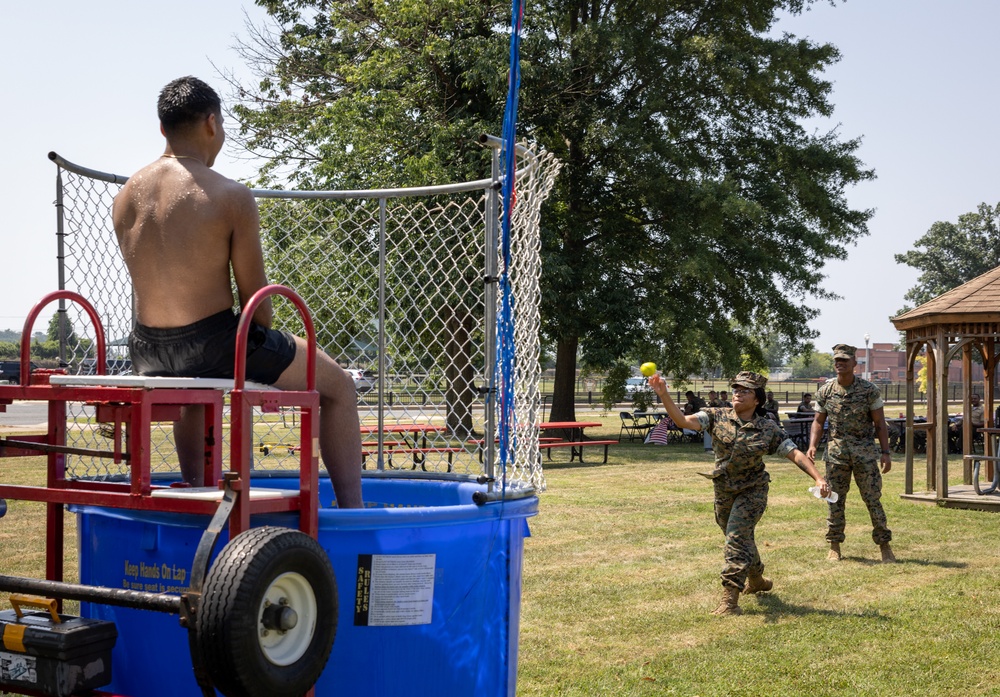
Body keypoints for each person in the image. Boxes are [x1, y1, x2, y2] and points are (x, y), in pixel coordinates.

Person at [112, 76, 363, 508]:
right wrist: (268, 339)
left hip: (146, 349)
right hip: (216, 342)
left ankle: (195, 496)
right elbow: (257, 306)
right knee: (339, 386)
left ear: (162, 129)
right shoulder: (229, 195)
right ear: (212, 123)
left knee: (196, 392)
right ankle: (354, 512)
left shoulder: (125, 196)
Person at [649, 370, 830, 616]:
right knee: (739, 537)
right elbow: (682, 421)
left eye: (745, 391)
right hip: (724, 488)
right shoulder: (715, 416)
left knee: (735, 538)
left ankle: (730, 600)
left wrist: (818, 478)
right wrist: (664, 394)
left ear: (757, 399)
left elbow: (794, 453)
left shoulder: (768, 428)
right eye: (736, 389)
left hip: (752, 490)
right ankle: (757, 580)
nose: (738, 393)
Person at [807, 344, 893, 563]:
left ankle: (884, 545)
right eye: (837, 360)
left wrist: (885, 452)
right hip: (836, 454)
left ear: (855, 363)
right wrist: (812, 446)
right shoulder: (826, 391)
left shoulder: (869, 390)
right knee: (834, 499)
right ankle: (834, 545)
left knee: (873, 499)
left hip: (864, 454)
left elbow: (879, 423)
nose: (840, 363)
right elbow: (818, 421)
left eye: (845, 360)